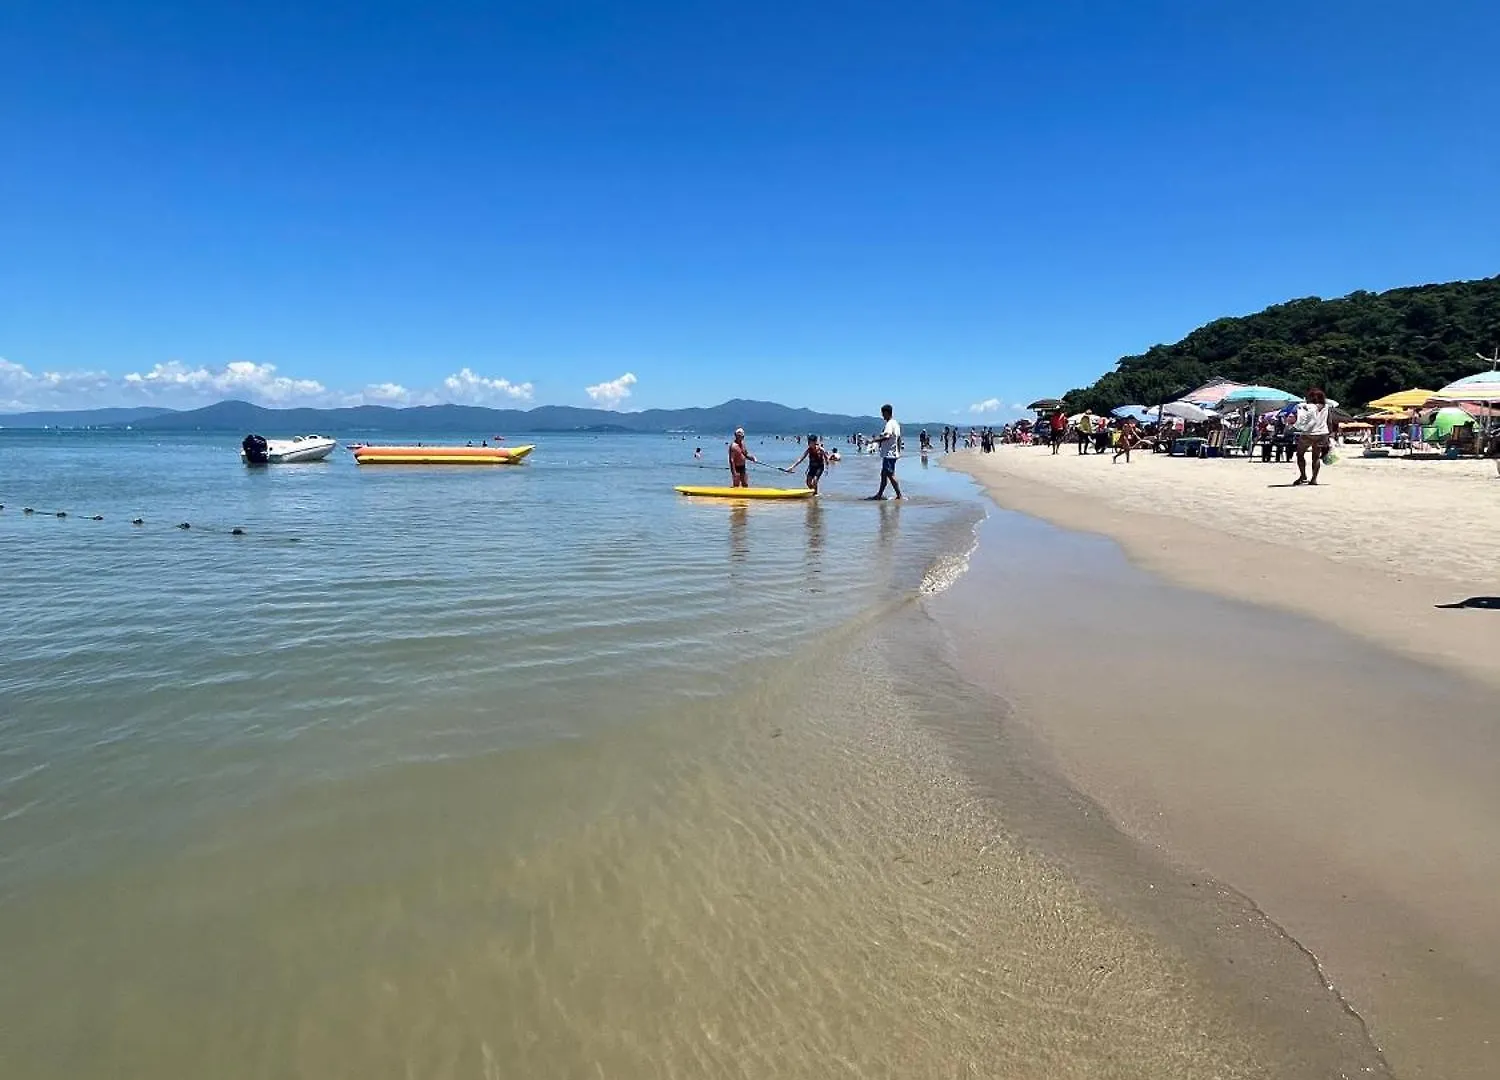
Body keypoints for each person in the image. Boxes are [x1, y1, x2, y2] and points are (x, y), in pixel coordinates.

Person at [1292, 388, 1334, 485]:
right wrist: (1329, 435)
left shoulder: (1308, 407)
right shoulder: (1326, 407)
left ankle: (1303, 475)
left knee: (1300, 454)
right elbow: (1329, 422)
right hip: (1321, 434)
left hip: (1308, 433)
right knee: (1316, 457)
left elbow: (1302, 419)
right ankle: (1314, 479)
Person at [868, 403, 903, 500]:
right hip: (892, 453)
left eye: (883, 413)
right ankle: (879, 495)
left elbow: (886, 436)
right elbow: (899, 439)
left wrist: (873, 440)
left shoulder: (889, 424)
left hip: (889, 454)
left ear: (887, 413)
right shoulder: (896, 424)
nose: (882, 416)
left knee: (890, 475)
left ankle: (899, 495)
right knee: (884, 475)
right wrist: (898, 452)